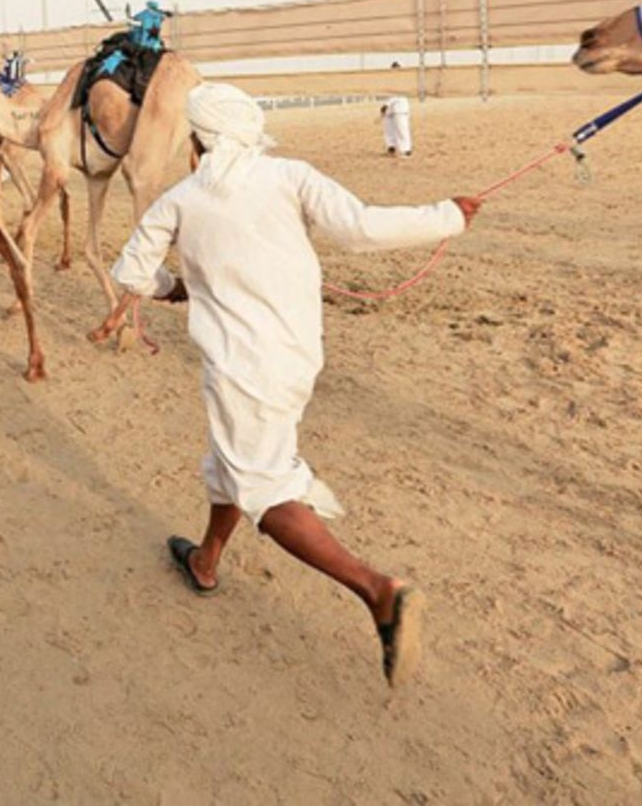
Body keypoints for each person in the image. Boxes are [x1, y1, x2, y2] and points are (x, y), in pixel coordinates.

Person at [109, 82, 481, 688]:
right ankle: (205, 561)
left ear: (197, 141)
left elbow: (129, 272)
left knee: (261, 485)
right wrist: (448, 215)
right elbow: (361, 227)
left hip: (239, 369)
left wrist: (172, 289)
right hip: (298, 357)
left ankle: (378, 591)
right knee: (234, 459)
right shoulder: (290, 176)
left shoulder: (178, 200)